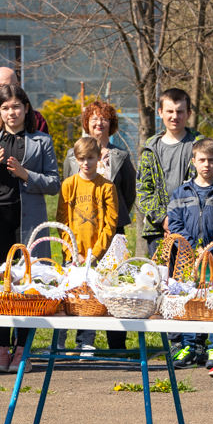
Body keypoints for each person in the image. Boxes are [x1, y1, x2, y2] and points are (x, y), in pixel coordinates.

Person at [0, 84, 59, 374]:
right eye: (5, 107)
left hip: (28, 224)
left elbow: (54, 183)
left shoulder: (41, 141)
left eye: (17, 106)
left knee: (29, 285)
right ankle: (2, 349)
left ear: (26, 109)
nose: (11, 112)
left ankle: (23, 350)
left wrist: (25, 174)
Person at [60, 101, 135, 351]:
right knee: (82, 290)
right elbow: (64, 208)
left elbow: (128, 193)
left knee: (112, 288)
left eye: (103, 118)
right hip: (78, 238)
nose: (98, 122)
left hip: (110, 234)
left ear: (110, 123)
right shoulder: (73, 157)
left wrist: (106, 237)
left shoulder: (120, 156)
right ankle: (84, 341)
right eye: (93, 118)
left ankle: (117, 345)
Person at [166, 138, 213, 376]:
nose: (206, 165)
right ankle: (190, 345)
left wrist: (212, 247)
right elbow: (174, 222)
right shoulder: (181, 192)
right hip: (187, 259)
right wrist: (191, 245)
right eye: (202, 160)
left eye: (211, 160)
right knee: (189, 301)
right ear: (193, 161)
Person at [55, 136, 118, 353]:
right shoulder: (68, 185)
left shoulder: (106, 187)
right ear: (76, 159)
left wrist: (94, 253)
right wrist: (70, 250)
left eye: (90, 158)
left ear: (99, 158)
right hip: (72, 254)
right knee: (67, 296)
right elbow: (62, 221)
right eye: (81, 159)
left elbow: (110, 224)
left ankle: (85, 340)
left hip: (96, 255)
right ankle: (59, 341)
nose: (86, 163)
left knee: (90, 297)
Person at [136, 88, 204, 257]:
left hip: (191, 229)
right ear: (160, 112)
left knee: (188, 279)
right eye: (170, 111)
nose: (175, 116)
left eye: (180, 111)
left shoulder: (199, 145)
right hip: (158, 230)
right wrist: (164, 220)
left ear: (188, 113)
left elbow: (205, 185)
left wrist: (181, 223)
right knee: (161, 278)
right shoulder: (150, 148)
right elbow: (144, 191)